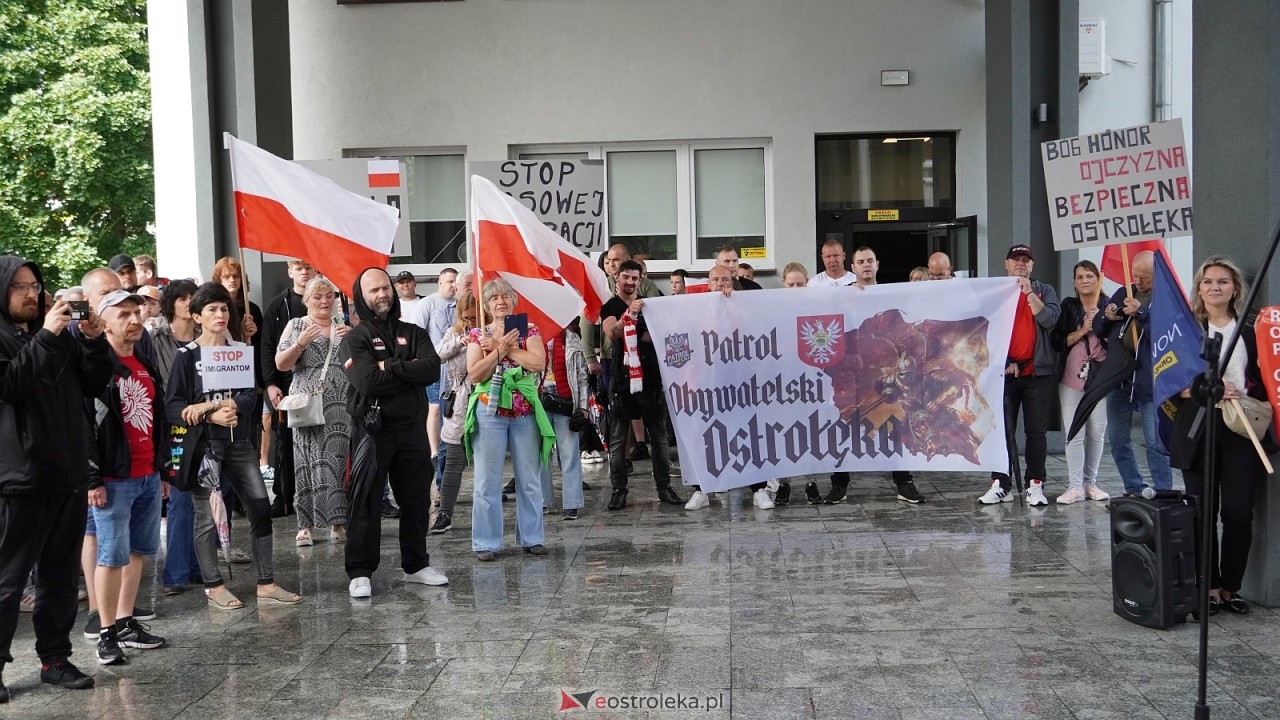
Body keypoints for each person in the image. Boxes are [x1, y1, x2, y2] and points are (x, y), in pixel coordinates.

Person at [0, 255, 112, 699]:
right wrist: (47, 334)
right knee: (8, 581)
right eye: (20, 287)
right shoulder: (24, 337)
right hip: (19, 480)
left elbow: (92, 384)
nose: (31, 293)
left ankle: (55, 658)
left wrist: (89, 341)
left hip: (66, 474)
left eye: (36, 285)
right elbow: (10, 386)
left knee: (61, 577)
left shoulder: (59, 337)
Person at [165, 282, 302, 610]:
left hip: (239, 444)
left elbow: (249, 395)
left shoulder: (239, 351)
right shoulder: (186, 357)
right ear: (197, 316)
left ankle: (266, 582)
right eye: (211, 309)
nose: (220, 314)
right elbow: (173, 406)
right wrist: (211, 415)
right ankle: (213, 586)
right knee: (204, 518)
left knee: (259, 509)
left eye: (224, 308)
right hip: (203, 447)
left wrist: (225, 405)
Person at [1175, 256, 1273, 616]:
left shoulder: (1251, 331)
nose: (1215, 287)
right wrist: (1206, 388)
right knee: (1201, 512)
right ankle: (1209, 588)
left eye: (1223, 281)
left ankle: (1231, 587)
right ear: (1199, 289)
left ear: (1235, 289)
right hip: (1199, 426)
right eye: (1208, 281)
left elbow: (1265, 378)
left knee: (1237, 513)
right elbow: (1167, 382)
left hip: (1241, 430)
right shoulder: (1186, 330)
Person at [340, 268, 448, 597]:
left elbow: (431, 368)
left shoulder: (412, 331)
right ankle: (360, 571)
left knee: (416, 500)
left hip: (411, 429)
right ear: (362, 296)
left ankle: (415, 565)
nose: (382, 294)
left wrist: (391, 366)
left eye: (385, 288)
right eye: (374, 290)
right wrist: (407, 370)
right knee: (366, 500)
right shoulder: (353, 339)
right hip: (372, 430)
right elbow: (367, 381)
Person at [86, 290, 169, 665]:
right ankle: (105, 632)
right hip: (114, 478)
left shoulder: (145, 364)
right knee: (111, 555)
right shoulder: (96, 367)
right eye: (124, 314)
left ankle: (125, 622)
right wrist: (92, 479)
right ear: (105, 322)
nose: (135, 319)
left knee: (139, 552)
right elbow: (83, 425)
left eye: (137, 312)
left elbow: (158, 422)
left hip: (148, 474)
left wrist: (163, 470)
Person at [825, 246, 927, 505]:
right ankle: (839, 484)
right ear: (853, 268)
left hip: (886, 374)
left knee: (895, 426)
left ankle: (904, 483)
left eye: (870, 260)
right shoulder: (842, 297)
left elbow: (907, 325)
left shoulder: (891, 296)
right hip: (853, 374)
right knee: (844, 426)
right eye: (861, 262)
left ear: (878, 264)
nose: (866, 265)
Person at [464, 278, 554, 559]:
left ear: (513, 302)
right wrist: (497, 352)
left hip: (523, 410)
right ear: (488, 306)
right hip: (489, 409)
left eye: (505, 297)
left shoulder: (529, 329)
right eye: (494, 298)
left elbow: (538, 363)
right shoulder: (478, 335)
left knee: (529, 478)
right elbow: (476, 374)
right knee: (486, 480)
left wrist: (506, 348)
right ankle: (486, 542)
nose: (500, 301)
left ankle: (532, 537)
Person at [685, 265, 774, 511]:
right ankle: (701, 489)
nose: (721, 283)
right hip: (706, 382)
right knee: (706, 437)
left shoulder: (745, 306)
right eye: (716, 279)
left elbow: (758, 330)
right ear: (708, 282)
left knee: (751, 434)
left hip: (741, 381)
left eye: (726, 279)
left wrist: (733, 307)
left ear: (733, 282)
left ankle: (759, 489)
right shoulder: (696, 307)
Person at [977, 244, 1061, 506]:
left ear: (1032, 265)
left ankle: (1035, 484)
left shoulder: (1044, 290)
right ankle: (1001, 483)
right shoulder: (997, 292)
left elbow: (1050, 320)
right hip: (1006, 373)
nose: (1021, 264)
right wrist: (1006, 360)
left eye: (1026, 260)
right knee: (1002, 430)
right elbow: (984, 327)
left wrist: (1029, 293)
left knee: (1036, 432)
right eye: (1016, 260)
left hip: (1037, 373)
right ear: (1006, 264)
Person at [601, 262, 685, 511]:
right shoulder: (611, 306)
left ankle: (664, 488)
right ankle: (618, 491)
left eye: (634, 278)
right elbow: (612, 333)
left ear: (641, 280)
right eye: (625, 277)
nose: (629, 282)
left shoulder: (651, 305)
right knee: (617, 441)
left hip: (650, 380)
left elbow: (662, 335)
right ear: (617, 278)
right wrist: (629, 317)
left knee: (658, 439)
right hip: (621, 381)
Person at [274, 277, 351, 547]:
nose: (324, 301)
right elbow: (281, 364)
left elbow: (355, 362)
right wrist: (300, 344)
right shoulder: (296, 325)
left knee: (337, 462)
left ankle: (337, 521)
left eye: (329, 296)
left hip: (340, 402)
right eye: (318, 296)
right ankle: (304, 526)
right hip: (306, 401)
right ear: (307, 300)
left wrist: (351, 340)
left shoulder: (342, 326)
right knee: (306, 463)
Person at [1094, 251, 1171, 497]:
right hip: (1119, 376)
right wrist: (1106, 316)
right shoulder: (1126, 291)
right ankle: (1134, 487)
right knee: (1117, 438)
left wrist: (1140, 312)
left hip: (1150, 379)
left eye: (1145, 278)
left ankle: (1163, 491)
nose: (1139, 282)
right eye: (1136, 276)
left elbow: (1166, 332)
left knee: (1154, 441)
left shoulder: (1166, 296)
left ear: (1156, 275)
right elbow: (1099, 325)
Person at [149, 280, 202, 596]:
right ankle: (176, 573)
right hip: (173, 427)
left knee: (205, 499)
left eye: (192, 297)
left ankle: (196, 567)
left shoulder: (206, 338)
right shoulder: (155, 339)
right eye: (182, 298)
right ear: (171, 304)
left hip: (207, 426)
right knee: (181, 498)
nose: (188, 302)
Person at [1050, 261, 1109, 505]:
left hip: (1101, 378)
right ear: (1074, 282)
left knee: (1096, 431)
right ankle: (1074, 486)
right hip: (1071, 378)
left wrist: (1102, 322)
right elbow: (1057, 341)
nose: (1085, 280)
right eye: (1080, 277)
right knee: (1074, 432)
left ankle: (1090, 483)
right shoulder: (1069, 306)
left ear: (1098, 279)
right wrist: (1084, 329)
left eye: (1089, 276)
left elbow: (1118, 339)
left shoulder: (1108, 305)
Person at [262, 259, 316, 517]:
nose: (304, 272)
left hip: (318, 387)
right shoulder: (277, 306)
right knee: (286, 444)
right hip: (285, 389)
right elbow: (267, 347)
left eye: (308, 267)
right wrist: (271, 384)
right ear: (290, 271)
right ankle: (284, 497)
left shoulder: (328, 304)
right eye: (299, 267)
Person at [407, 267, 459, 494]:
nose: (452, 285)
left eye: (455, 282)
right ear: (439, 282)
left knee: (449, 412)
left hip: (455, 368)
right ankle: (434, 451)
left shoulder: (461, 305)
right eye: (449, 281)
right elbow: (417, 335)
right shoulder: (427, 304)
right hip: (434, 366)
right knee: (435, 409)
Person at [432, 292, 478, 534]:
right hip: (458, 403)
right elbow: (436, 354)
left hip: (482, 401)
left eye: (473, 317)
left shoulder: (490, 332)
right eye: (465, 317)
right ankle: (444, 514)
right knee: (452, 463)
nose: (470, 322)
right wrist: (460, 342)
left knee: (484, 464)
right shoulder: (454, 332)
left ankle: (485, 515)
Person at [541, 319, 589, 520]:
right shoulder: (533, 337)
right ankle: (542, 500)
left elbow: (582, 375)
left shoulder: (571, 338)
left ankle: (572, 502)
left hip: (565, 400)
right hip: (538, 400)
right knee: (540, 455)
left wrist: (583, 406)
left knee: (569, 452)